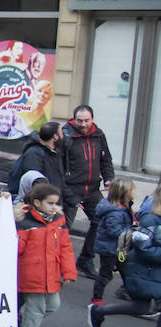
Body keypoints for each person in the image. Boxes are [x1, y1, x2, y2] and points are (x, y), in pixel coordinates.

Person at [88, 180, 161, 327]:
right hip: (145, 270)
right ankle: (99, 309)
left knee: (141, 308)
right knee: (139, 306)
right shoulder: (151, 219)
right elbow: (143, 247)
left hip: (153, 272)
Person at [15, 181, 77, 327]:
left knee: (52, 305)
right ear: (37, 202)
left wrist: (69, 272)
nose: (54, 207)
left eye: (56, 203)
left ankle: (22, 320)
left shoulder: (58, 222)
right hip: (31, 273)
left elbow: (65, 248)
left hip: (51, 274)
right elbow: (17, 249)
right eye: (50, 203)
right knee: (36, 308)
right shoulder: (26, 222)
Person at [63, 105, 114, 278]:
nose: (83, 124)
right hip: (71, 189)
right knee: (63, 229)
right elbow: (58, 167)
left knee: (100, 221)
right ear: (74, 119)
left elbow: (106, 159)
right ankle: (58, 263)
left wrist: (109, 178)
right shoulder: (65, 135)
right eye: (80, 121)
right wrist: (66, 193)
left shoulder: (98, 135)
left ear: (92, 119)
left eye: (87, 120)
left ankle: (85, 260)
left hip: (92, 189)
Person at [89, 179, 135, 306]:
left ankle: (131, 294)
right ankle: (96, 299)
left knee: (126, 270)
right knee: (105, 275)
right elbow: (114, 231)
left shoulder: (123, 208)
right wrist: (131, 233)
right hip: (110, 250)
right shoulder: (115, 213)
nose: (134, 193)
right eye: (132, 191)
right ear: (124, 193)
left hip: (119, 250)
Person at [18, 122, 66, 190]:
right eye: (62, 133)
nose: (63, 136)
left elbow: (59, 181)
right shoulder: (34, 153)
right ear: (55, 136)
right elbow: (34, 182)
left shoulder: (55, 152)